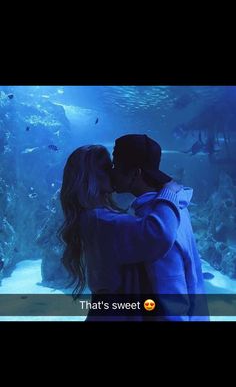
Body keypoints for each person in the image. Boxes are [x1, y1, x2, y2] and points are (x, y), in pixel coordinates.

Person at [58, 144, 182, 321]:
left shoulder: (92, 217)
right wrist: (168, 194)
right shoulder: (101, 220)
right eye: (107, 167)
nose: (114, 172)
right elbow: (158, 235)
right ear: (90, 177)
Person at [111, 134, 209, 321]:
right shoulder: (175, 207)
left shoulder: (156, 221)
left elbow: (172, 300)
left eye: (115, 165)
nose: (111, 172)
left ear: (135, 173)